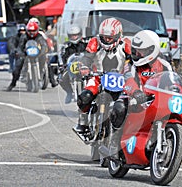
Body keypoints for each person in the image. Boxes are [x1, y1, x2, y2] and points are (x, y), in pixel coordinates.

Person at [108, 30, 173, 159]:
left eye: (141, 51)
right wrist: (136, 92)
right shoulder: (131, 65)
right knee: (119, 107)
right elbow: (128, 79)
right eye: (135, 50)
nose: (136, 54)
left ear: (151, 50)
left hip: (157, 100)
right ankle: (114, 143)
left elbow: (173, 80)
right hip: (135, 97)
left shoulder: (165, 64)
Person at [73, 17, 132, 135]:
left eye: (110, 38)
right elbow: (87, 58)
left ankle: (126, 128)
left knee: (129, 103)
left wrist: (131, 72)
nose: (107, 40)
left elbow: (132, 61)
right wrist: (84, 68)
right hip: (97, 77)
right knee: (85, 96)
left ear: (117, 35)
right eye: (104, 37)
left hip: (120, 79)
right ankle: (83, 120)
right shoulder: (95, 42)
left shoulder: (126, 44)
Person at [6, 21, 50, 91]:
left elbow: (44, 45)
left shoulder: (39, 36)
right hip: (26, 54)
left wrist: (42, 52)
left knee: (46, 61)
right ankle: (13, 83)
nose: (32, 33)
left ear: (37, 30)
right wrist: (20, 53)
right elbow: (20, 47)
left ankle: (46, 76)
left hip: (37, 53)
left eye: (33, 31)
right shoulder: (24, 37)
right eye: (30, 31)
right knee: (18, 66)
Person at [58, 25, 88, 104]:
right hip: (70, 67)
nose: (74, 37)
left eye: (75, 35)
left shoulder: (86, 44)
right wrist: (62, 65)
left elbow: (91, 53)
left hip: (85, 66)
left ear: (80, 34)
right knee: (62, 78)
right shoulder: (66, 46)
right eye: (72, 36)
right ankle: (69, 92)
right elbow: (61, 56)